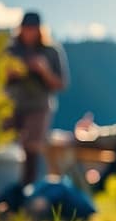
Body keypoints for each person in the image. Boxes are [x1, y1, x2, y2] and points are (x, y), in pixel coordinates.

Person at [5, 11, 69, 185]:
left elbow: (62, 83)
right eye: (26, 28)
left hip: (38, 107)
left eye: (33, 29)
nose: (29, 32)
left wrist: (44, 71)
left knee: (32, 148)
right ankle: (5, 187)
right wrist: (14, 72)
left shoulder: (51, 51)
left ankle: (27, 189)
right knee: (5, 145)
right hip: (10, 104)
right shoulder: (11, 49)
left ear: (40, 30)